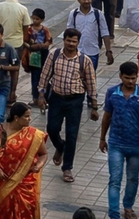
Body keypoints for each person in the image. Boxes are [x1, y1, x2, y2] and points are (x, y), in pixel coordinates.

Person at [37, 27, 101, 183]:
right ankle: (60, 147)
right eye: (68, 40)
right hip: (56, 98)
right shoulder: (54, 55)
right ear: (63, 40)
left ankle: (67, 168)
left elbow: (91, 84)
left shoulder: (84, 60)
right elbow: (45, 75)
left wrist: (94, 106)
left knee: (72, 134)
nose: (71, 44)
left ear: (78, 42)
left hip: (75, 100)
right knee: (52, 129)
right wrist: (41, 95)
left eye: (74, 41)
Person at [100, 61, 139, 219]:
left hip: (136, 145)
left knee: (133, 179)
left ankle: (128, 207)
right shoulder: (112, 93)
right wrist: (102, 138)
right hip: (116, 144)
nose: (131, 81)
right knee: (115, 179)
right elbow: (107, 116)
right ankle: (113, 213)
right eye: (127, 78)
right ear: (120, 76)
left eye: (133, 78)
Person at [0, 101, 48, 219]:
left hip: (25, 183)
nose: (30, 119)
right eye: (26, 116)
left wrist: (38, 166)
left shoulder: (34, 134)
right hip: (2, 180)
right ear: (16, 118)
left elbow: (43, 154)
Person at [0, 0, 29, 89]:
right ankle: (12, 92)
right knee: (15, 68)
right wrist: (25, 42)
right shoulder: (23, 9)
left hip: (1, 44)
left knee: (0, 67)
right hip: (17, 44)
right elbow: (26, 27)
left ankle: (1, 89)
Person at [68, 0, 115, 67]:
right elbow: (69, 32)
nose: (86, 1)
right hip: (76, 51)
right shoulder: (73, 14)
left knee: (91, 74)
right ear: (78, 0)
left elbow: (104, 32)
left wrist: (108, 51)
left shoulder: (98, 14)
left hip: (93, 52)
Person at [22, 9, 54, 105]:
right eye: (34, 18)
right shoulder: (29, 29)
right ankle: (35, 98)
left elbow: (49, 41)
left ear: (42, 20)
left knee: (44, 75)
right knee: (35, 76)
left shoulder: (45, 30)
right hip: (33, 55)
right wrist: (30, 47)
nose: (35, 20)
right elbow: (24, 41)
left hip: (43, 54)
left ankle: (45, 97)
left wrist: (41, 46)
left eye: (37, 19)